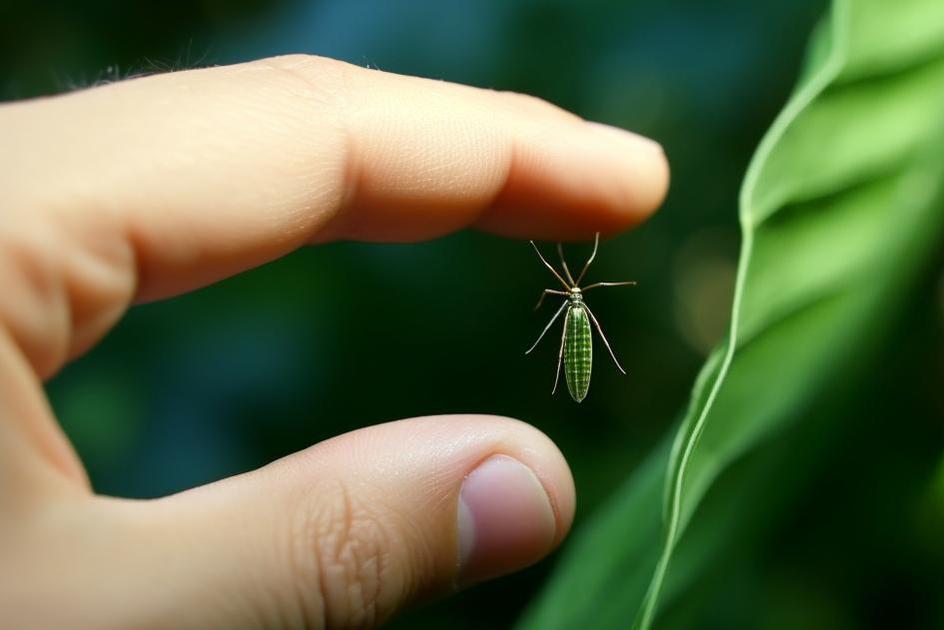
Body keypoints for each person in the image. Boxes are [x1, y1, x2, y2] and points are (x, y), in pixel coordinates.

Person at [0, 54, 669, 628]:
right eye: (569, 285)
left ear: (577, 291)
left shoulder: (579, 309)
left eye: (574, 286)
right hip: (570, 335)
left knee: (582, 347)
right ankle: (566, 376)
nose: (572, 289)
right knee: (567, 348)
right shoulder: (565, 298)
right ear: (568, 287)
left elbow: (578, 315)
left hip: (581, 337)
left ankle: (573, 376)